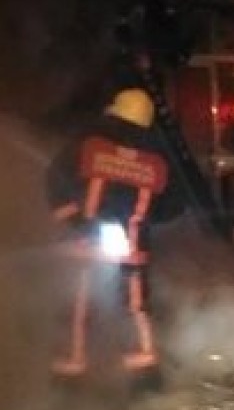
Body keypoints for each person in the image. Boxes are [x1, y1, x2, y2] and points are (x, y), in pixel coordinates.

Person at [45, 87, 186, 383]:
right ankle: (143, 378)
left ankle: (70, 378)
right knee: (134, 309)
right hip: (131, 250)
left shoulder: (87, 147)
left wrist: (73, 218)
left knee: (79, 307)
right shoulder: (156, 161)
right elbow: (174, 204)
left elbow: (55, 182)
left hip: (85, 245)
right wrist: (143, 221)